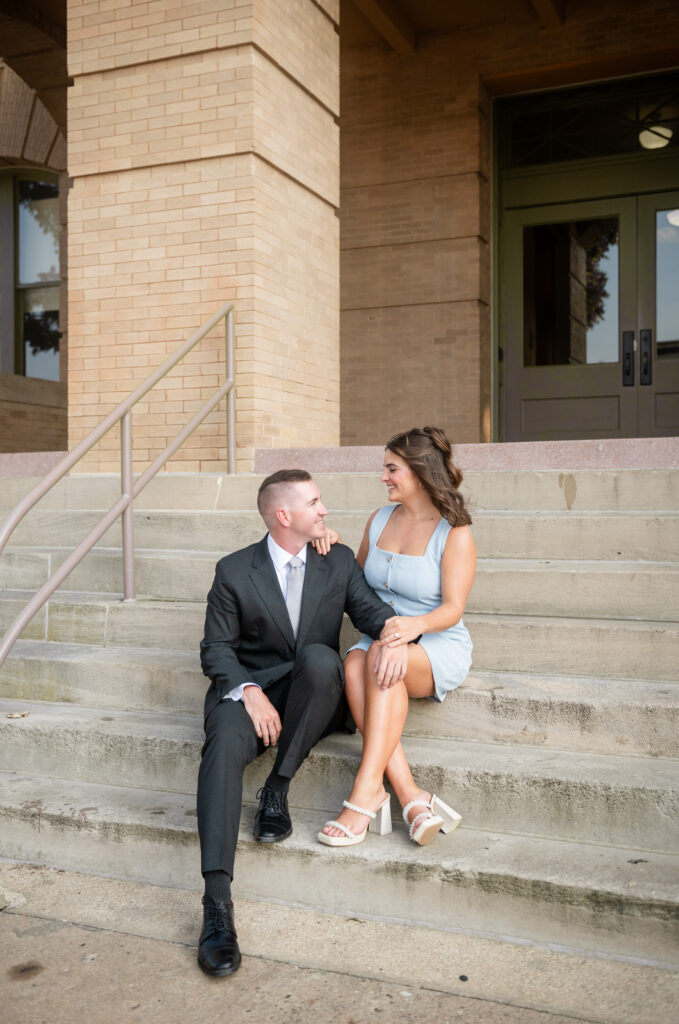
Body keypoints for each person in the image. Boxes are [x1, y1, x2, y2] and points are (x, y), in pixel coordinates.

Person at [196, 468, 408, 977]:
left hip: (318, 691)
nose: (325, 510)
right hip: (254, 688)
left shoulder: (335, 560)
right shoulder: (233, 570)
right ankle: (217, 904)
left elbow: (372, 614)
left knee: (317, 656)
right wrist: (247, 691)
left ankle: (277, 787)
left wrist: (402, 637)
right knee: (223, 743)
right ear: (283, 516)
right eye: (315, 502)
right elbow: (216, 649)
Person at [318, 426, 476, 848]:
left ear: (420, 472)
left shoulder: (454, 531)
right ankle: (410, 795)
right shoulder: (380, 518)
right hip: (382, 637)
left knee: (381, 663)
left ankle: (363, 793)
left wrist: (410, 630)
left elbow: (452, 609)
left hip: (433, 641)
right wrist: (333, 547)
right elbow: (357, 579)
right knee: (355, 663)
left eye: (392, 469)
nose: (383, 477)